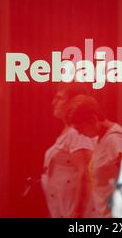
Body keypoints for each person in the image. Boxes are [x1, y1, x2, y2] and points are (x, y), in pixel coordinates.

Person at [65, 94, 122, 217]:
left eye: (80, 128)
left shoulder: (116, 141)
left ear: (93, 119)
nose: (79, 133)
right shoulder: (102, 139)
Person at [41, 84, 97, 217]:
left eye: (60, 98)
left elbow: (85, 174)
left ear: (74, 102)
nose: (53, 102)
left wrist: (77, 214)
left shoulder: (77, 133)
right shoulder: (68, 133)